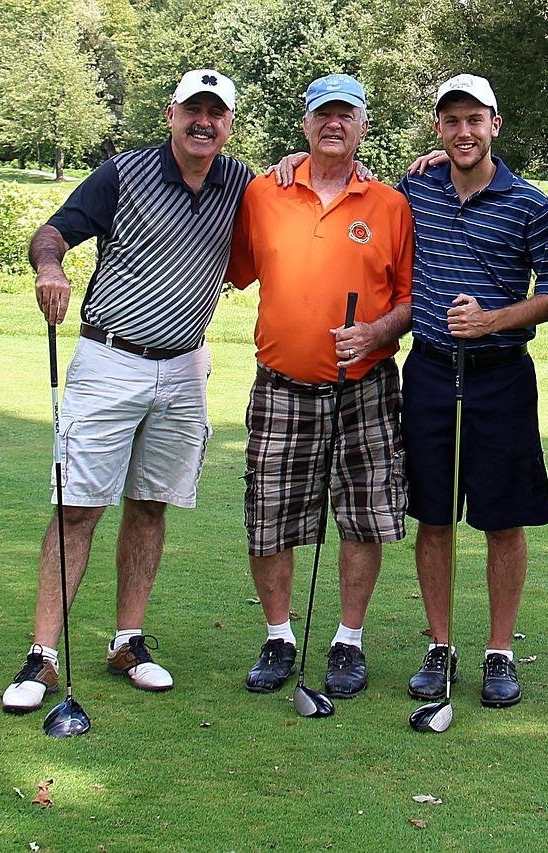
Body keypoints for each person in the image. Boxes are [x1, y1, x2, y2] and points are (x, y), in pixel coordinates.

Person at [1, 70, 253, 714]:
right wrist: (51, 267)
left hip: (185, 367)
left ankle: (128, 642)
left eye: (215, 113)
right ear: (171, 114)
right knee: (79, 506)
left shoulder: (241, 183)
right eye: (192, 110)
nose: (204, 122)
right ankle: (42, 656)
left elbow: (311, 182)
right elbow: (53, 231)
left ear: (228, 123)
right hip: (110, 358)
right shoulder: (123, 173)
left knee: (150, 506)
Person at [226, 74, 414, 699]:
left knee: (363, 516)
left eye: (346, 115)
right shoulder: (264, 193)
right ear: (305, 125)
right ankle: (279, 636)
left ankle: (347, 641)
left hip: (364, 384)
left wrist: (375, 331)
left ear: (363, 125)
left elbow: (413, 300)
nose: (334, 125)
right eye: (322, 116)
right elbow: (234, 271)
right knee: (270, 514)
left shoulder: (390, 204)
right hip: (283, 384)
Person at [398, 74, 548, 708]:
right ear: (438, 129)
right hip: (433, 371)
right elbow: (354, 196)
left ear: (496, 125)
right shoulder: (415, 188)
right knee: (434, 516)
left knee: (502, 520)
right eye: (452, 121)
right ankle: (440, 646)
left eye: (476, 120)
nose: (464, 132)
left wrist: (493, 320)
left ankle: (499, 651)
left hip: (500, 376)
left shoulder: (529, 203)